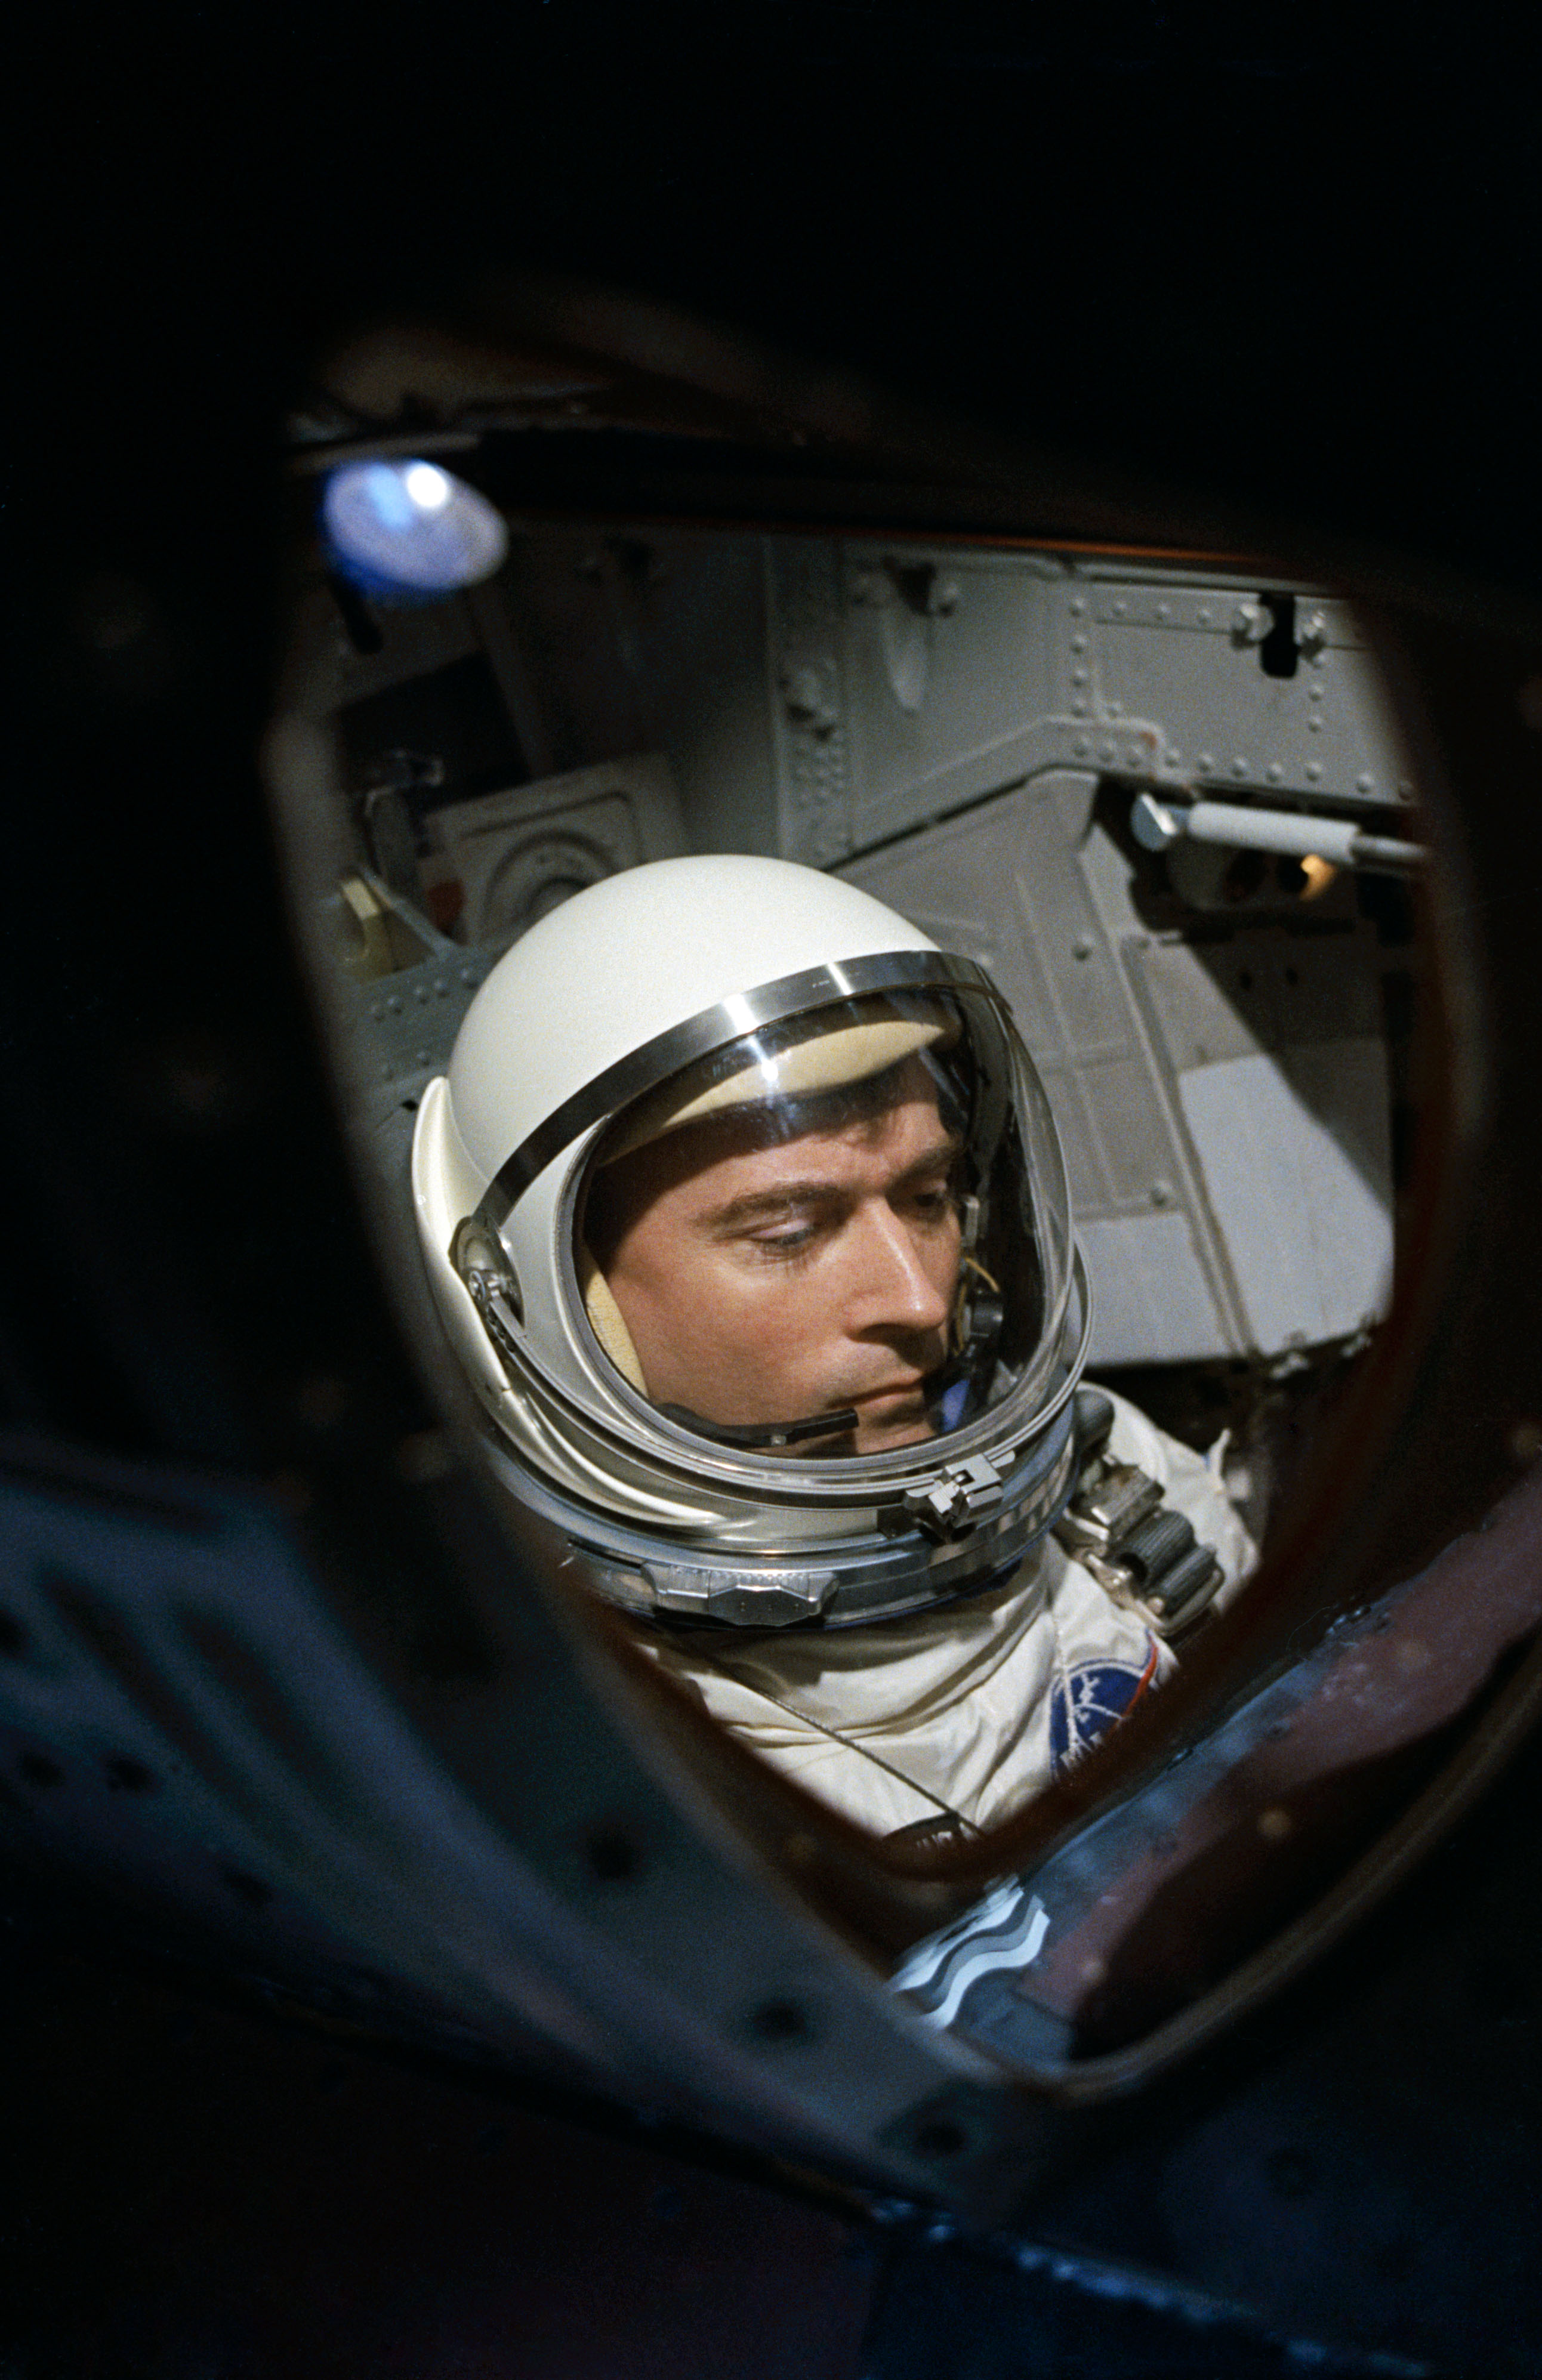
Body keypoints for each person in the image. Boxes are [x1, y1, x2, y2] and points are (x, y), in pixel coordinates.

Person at [410, 855, 1254, 1839]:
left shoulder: (1122, 1488)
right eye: (789, 1233)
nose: (920, 1294)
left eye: (930, 1197)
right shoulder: (590, 1778)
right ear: (542, 1302)